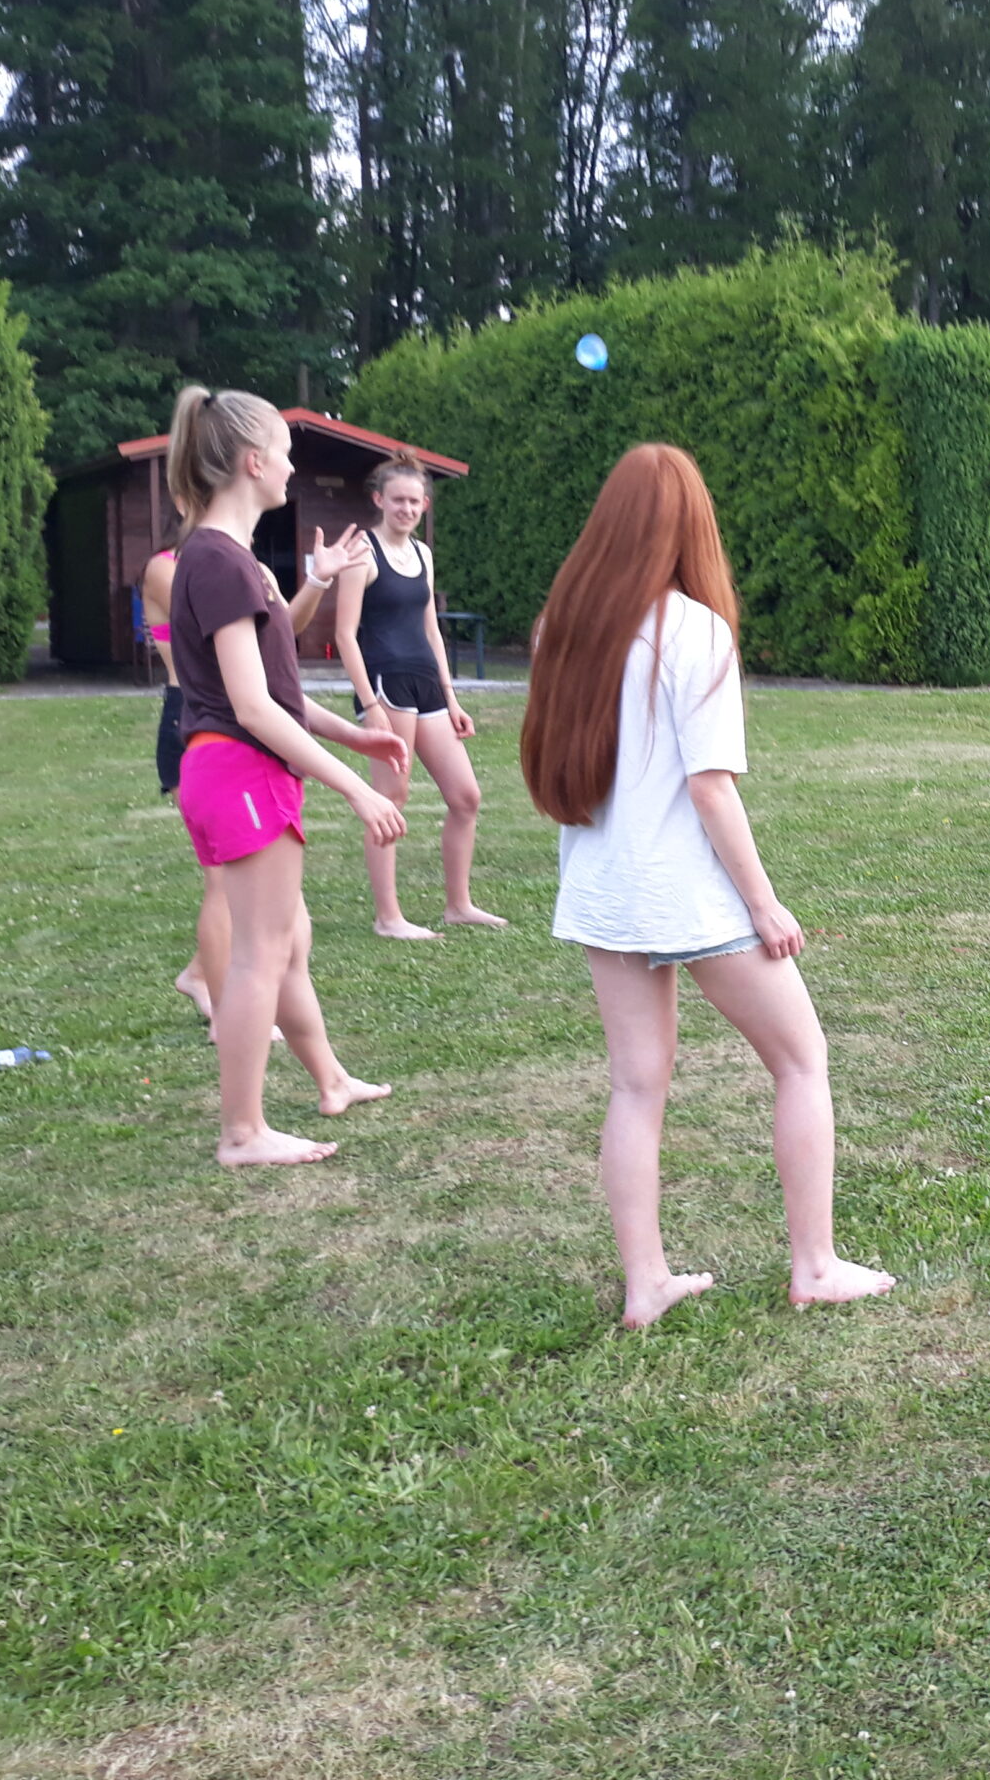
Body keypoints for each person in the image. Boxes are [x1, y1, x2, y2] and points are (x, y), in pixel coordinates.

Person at [521, 443, 895, 1327]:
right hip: (687, 893)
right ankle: (814, 1265)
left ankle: (645, 1283)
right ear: (692, 526)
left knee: (634, 1086)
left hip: (604, 890)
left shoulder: (563, 628)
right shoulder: (695, 631)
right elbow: (710, 788)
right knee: (802, 1059)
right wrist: (764, 903)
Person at [164, 387, 410, 1166]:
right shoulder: (219, 561)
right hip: (238, 771)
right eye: (286, 452)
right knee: (259, 954)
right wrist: (356, 787)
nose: (292, 468)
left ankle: (330, 1080)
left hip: (234, 768)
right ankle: (243, 1132)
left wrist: (355, 736)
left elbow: (280, 697)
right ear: (252, 461)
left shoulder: (231, 559)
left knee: (287, 942)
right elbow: (251, 708)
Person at [144, 511, 371, 1039]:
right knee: (225, 886)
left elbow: (275, 634)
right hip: (203, 724)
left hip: (245, 727)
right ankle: (226, 1010)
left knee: (271, 906)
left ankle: (209, 981)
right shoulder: (178, 566)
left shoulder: (241, 565)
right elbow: (231, 629)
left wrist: (316, 581)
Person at [331, 451, 506, 938]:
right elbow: (344, 634)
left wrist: (451, 698)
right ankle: (388, 917)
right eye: (398, 500)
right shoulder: (362, 553)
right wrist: (370, 706)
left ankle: (459, 905)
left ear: (425, 505)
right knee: (392, 798)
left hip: (427, 684)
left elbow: (430, 627)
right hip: (386, 686)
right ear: (379, 500)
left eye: (414, 501)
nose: (406, 508)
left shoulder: (424, 555)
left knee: (466, 796)